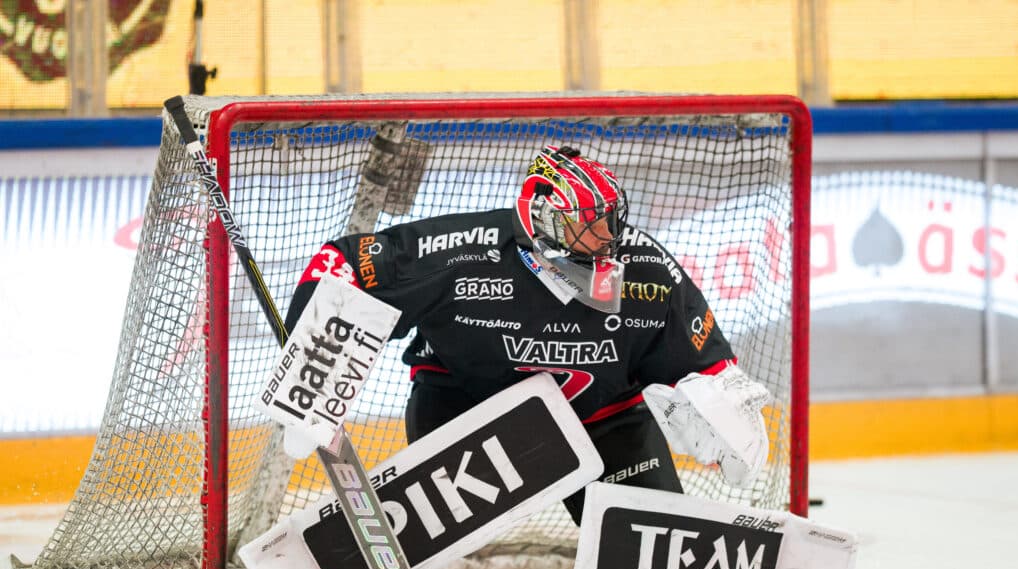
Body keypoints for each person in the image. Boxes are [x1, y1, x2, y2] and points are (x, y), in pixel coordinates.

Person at [284, 144, 769, 525]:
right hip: (470, 409)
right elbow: (344, 262)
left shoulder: (647, 267)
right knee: (427, 527)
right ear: (543, 220)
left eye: (610, 220)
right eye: (587, 226)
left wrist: (724, 407)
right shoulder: (467, 251)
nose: (606, 239)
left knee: (650, 534)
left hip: (605, 418)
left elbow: (707, 362)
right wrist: (312, 365)